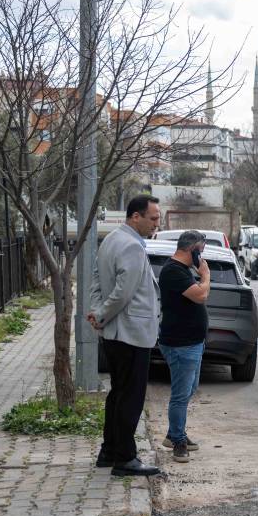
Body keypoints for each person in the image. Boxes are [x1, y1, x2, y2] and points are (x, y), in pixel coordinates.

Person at [87, 195, 162, 477]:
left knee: (118, 394)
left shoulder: (111, 240)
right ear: (135, 217)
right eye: (153, 218)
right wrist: (102, 313)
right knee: (130, 397)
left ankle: (109, 451)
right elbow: (123, 292)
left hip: (117, 333)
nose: (157, 223)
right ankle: (125, 458)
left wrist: (97, 312)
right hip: (130, 333)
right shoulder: (131, 246)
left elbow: (96, 279)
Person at [157, 230, 210, 463]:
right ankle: (177, 441)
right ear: (193, 250)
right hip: (180, 344)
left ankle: (175, 432)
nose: (203, 256)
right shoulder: (173, 271)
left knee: (189, 389)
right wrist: (205, 275)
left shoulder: (183, 270)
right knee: (180, 395)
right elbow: (200, 295)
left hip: (193, 342)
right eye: (202, 251)